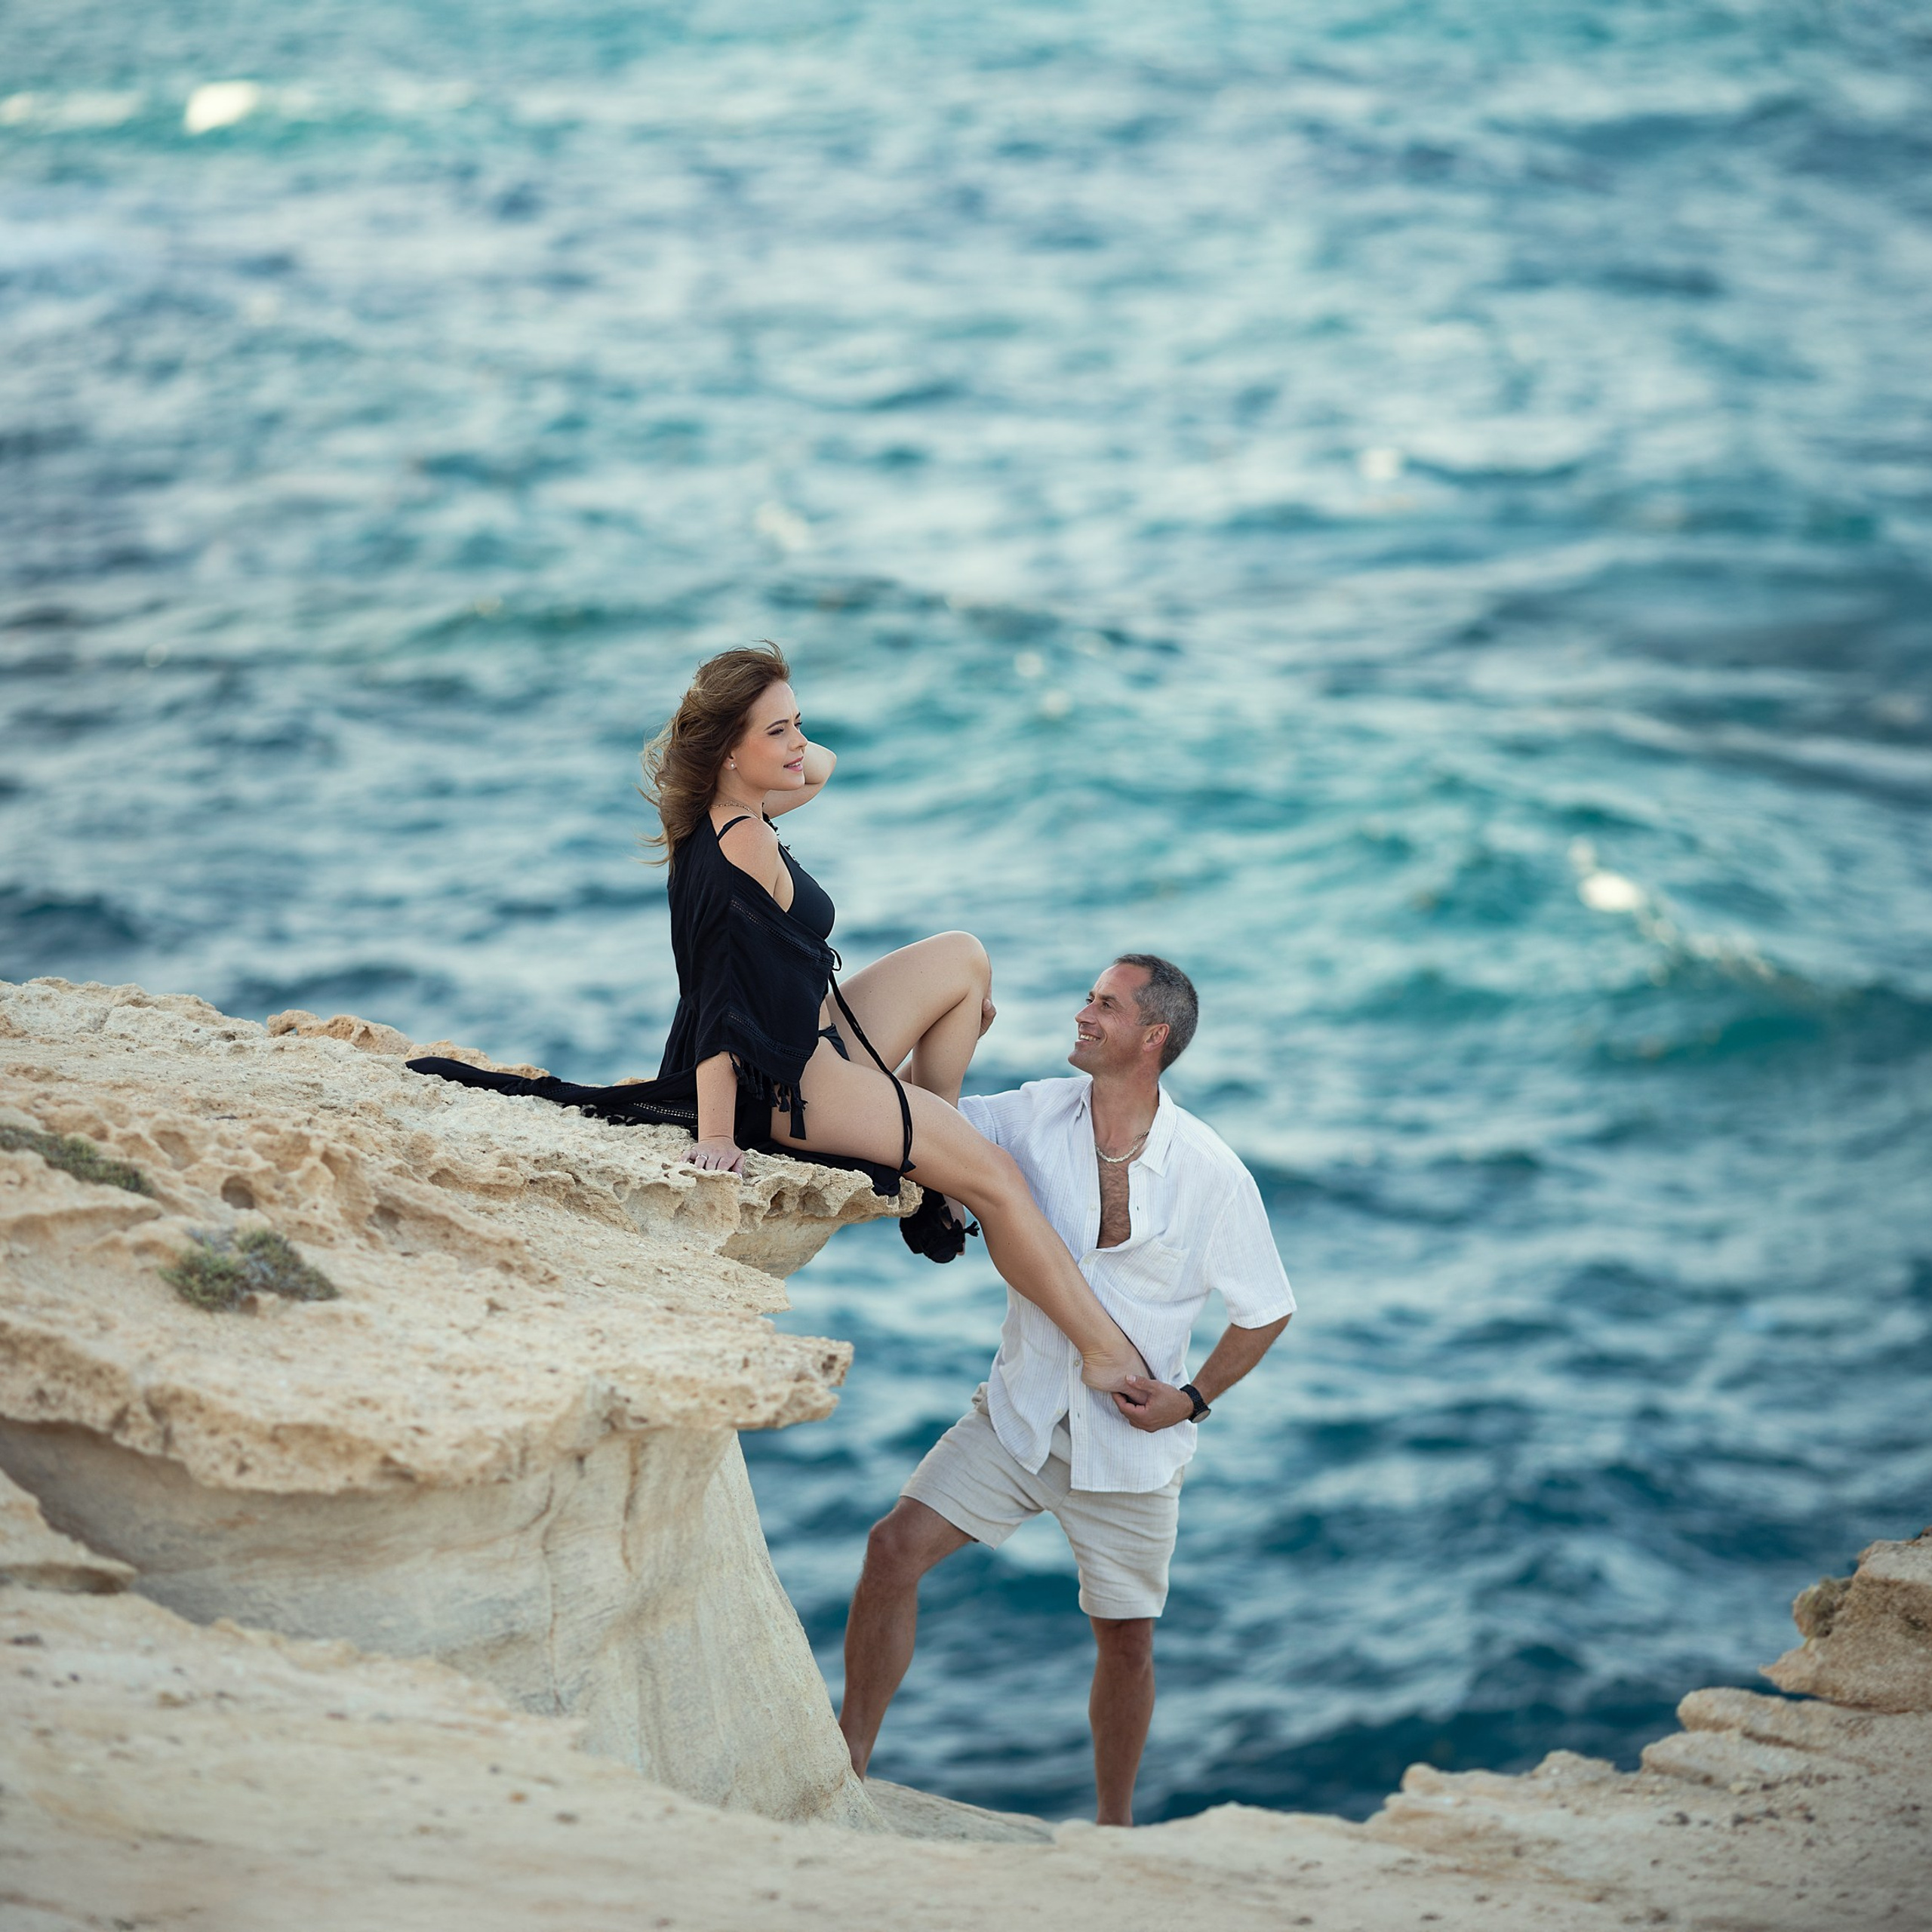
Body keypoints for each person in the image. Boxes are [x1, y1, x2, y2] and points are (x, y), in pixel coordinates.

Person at [408, 643, 1149, 1395]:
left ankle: (929, 1149)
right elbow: (720, 1005)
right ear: (730, 751)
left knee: (963, 960)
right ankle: (1100, 1348)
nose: (799, 745)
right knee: (1000, 1179)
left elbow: (819, 768)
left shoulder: (722, 813)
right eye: (778, 732)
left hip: (812, 1030)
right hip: (793, 1085)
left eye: (799, 724)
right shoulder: (747, 844)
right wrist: (721, 1137)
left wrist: (775, 729)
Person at [835, 954, 1295, 1827]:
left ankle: (1113, 1830)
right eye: (1087, 998)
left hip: (1133, 1443)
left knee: (1126, 1642)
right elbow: (904, 1119)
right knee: (891, 1551)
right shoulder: (1028, 1114)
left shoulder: (1211, 1171)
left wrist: (1191, 1399)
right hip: (1018, 1412)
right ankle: (848, 1762)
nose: (1082, 1014)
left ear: (1151, 1036)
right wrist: (941, 1026)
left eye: (1105, 1005)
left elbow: (1265, 1310)